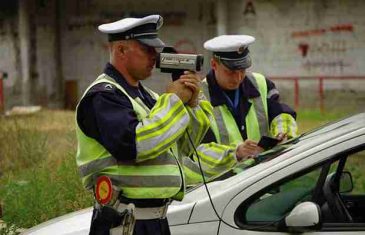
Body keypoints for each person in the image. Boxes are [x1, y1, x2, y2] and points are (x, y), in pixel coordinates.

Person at [75, 15, 235, 235]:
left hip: (155, 220)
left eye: (155, 50)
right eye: (147, 50)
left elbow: (184, 147)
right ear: (121, 50)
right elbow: (135, 145)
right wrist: (174, 101)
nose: (155, 57)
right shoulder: (103, 96)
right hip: (124, 222)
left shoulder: (147, 97)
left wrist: (193, 103)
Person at [201, 35, 298, 159]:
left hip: (264, 172)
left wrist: (283, 132)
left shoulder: (261, 83)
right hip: (227, 178)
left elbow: (280, 113)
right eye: (230, 72)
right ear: (214, 65)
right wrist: (235, 153)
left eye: (242, 70)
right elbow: (198, 152)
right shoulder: (198, 98)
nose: (238, 78)